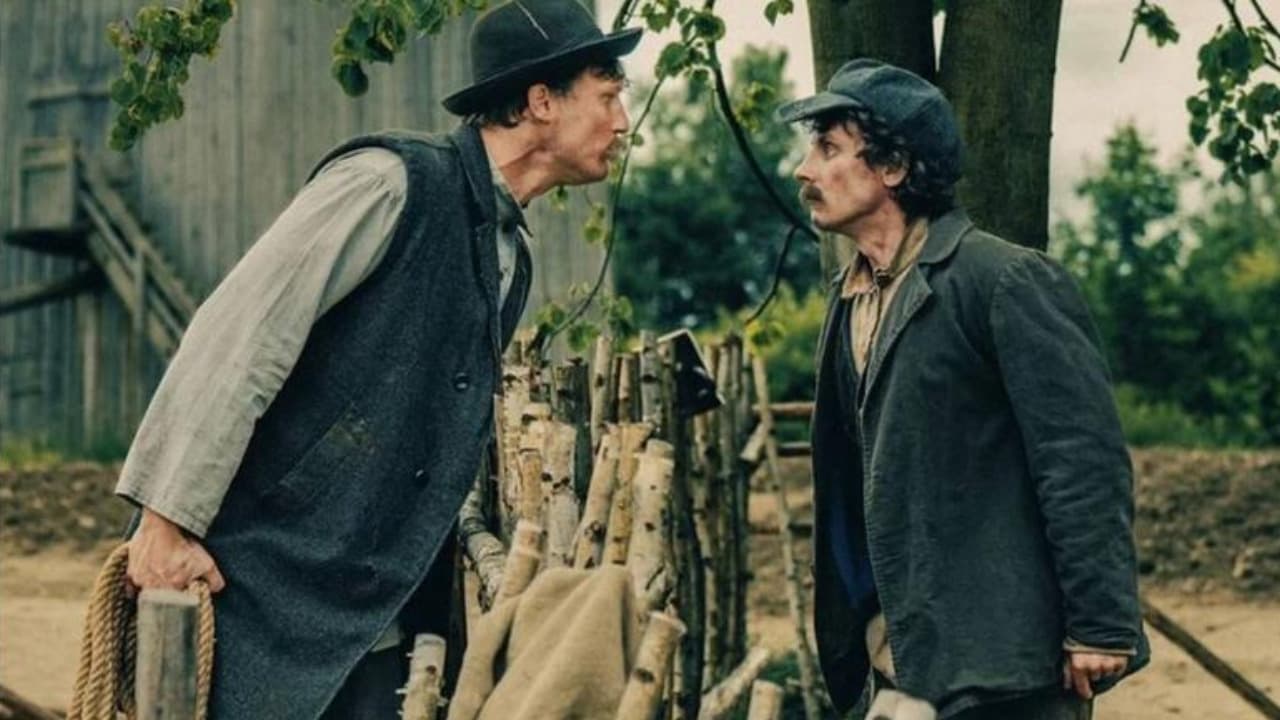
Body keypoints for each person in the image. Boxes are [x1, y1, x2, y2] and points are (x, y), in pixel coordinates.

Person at [114, 2, 640, 717]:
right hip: (257, 585)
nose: (622, 121)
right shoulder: (389, 182)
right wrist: (164, 523)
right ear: (542, 101)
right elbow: (238, 337)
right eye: (608, 96)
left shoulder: (511, 254)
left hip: (373, 613)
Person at [776, 59, 1149, 719]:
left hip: (1004, 668)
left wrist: (1101, 623)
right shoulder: (849, 298)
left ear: (893, 167)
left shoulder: (1002, 281)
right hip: (896, 662)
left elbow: (1080, 458)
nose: (804, 170)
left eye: (828, 148)